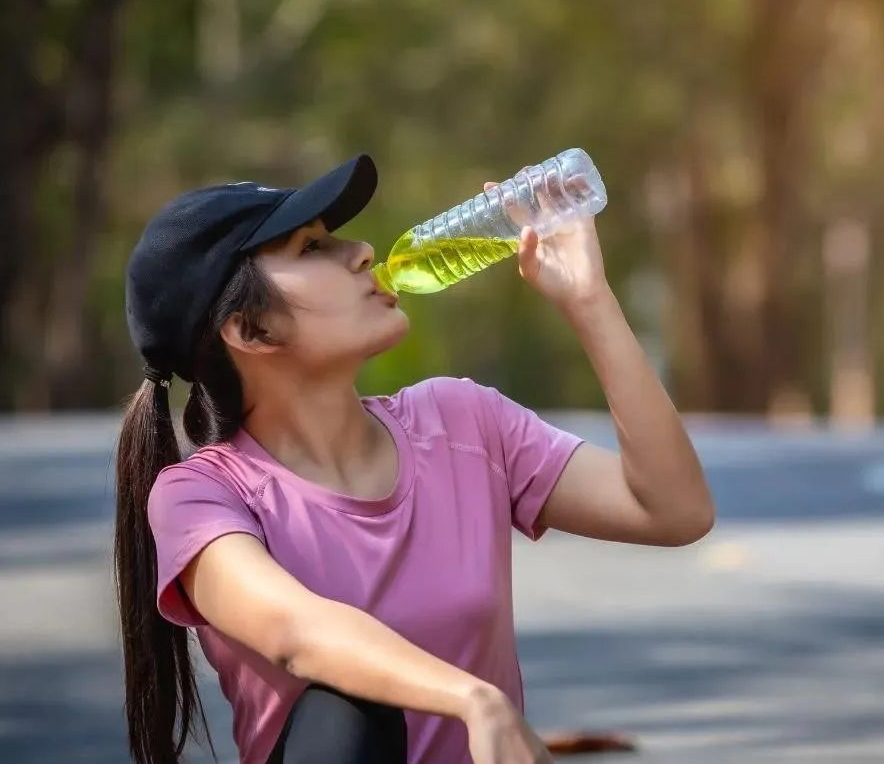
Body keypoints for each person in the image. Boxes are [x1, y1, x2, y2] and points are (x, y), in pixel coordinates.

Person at [112, 153, 715, 764]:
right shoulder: (201, 497)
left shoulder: (460, 422)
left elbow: (672, 510)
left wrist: (590, 301)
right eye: (311, 248)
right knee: (343, 706)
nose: (363, 251)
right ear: (249, 330)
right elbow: (297, 633)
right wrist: (473, 699)